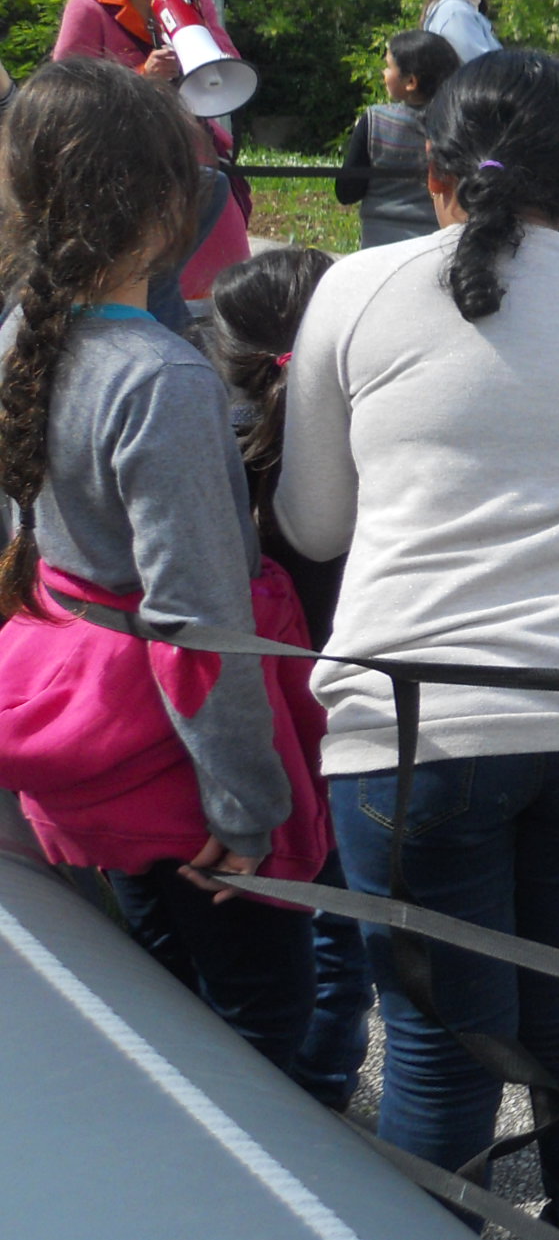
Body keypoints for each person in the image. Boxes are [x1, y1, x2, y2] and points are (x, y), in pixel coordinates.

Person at [277, 50, 559, 1240]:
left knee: (440, 1048)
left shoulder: (353, 290)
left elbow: (312, 519)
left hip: (416, 728)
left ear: (433, 167)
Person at [0, 60, 329, 1077]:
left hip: (79, 744)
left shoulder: (23, 334)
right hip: (182, 776)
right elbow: (198, 622)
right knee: (264, 1030)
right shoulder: (160, 381)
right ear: (157, 197)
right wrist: (248, 809)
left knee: (162, 1003)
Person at [204, 246, 374, 1113]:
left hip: (250, 729)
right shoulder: (371, 451)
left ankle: (274, 1100)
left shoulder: (211, 466)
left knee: (263, 928)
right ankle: (330, 1087)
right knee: (347, 932)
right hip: (350, 724)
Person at [52, 0, 252, 299]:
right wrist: (142, 77)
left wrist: (193, 30)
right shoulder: (88, 10)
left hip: (195, 161)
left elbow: (226, 62)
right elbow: (63, 98)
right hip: (125, 173)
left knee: (227, 293)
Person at [334, 28, 460, 249]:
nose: (384, 73)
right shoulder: (462, 125)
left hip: (379, 248)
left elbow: (347, 192)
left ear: (410, 82)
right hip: (440, 246)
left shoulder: (376, 120)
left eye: (388, 66)